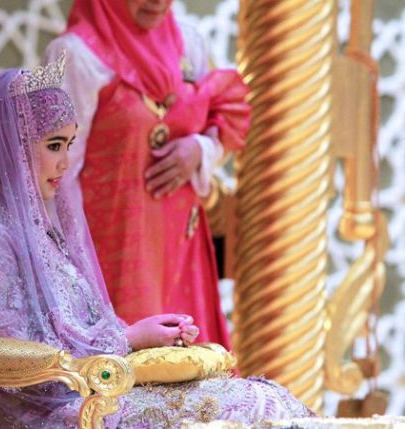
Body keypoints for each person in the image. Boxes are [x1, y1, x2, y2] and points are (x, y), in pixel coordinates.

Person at [0, 57, 312, 428]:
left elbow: (78, 327)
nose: (65, 162)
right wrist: (127, 339)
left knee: (261, 397)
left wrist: (145, 338)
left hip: (88, 392)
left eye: (69, 144)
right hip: (41, 414)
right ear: (11, 145)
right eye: (54, 145)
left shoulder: (36, 229)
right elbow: (11, 360)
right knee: (251, 406)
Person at [43, 0, 251, 349]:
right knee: (129, 372)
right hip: (113, 254)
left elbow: (224, 112)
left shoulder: (188, 43)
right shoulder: (75, 55)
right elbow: (59, 172)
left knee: (195, 366)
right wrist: (72, 266)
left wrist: (199, 149)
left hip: (181, 249)